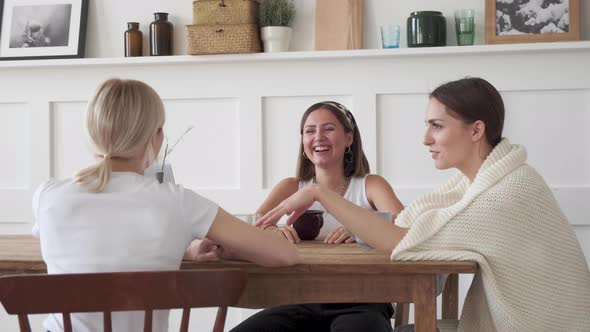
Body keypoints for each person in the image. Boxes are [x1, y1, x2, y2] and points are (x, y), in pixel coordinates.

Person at [257, 78, 590, 331]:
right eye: (426, 125)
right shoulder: (476, 183)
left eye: (437, 126)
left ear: (476, 130)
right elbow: (410, 223)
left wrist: (320, 195)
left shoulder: (503, 193)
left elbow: (404, 240)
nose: (425, 139)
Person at [32, 78, 301, 332]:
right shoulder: (177, 202)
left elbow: (98, 246)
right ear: (155, 135)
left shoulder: (48, 196)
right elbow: (285, 255)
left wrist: (183, 249)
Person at [231, 101, 404, 332]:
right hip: (298, 301)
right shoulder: (290, 187)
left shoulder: (370, 185)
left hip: (362, 301)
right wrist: (273, 230)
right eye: (310, 131)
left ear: (349, 139)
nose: (318, 137)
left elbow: (405, 227)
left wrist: (362, 230)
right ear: (303, 142)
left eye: (329, 129)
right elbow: (251, 229)